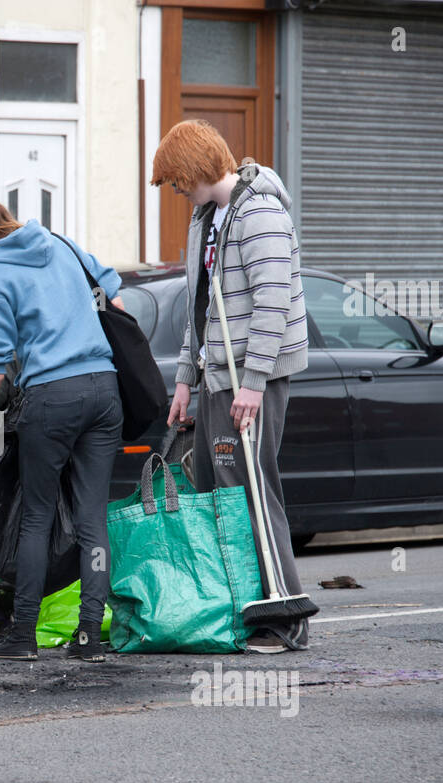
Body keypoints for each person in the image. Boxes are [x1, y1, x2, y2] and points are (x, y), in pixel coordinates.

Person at [0, 194, 125, 663]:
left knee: (36, 517)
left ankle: (22, 637)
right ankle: (90, 638)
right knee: (93, 519)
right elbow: (114, 294)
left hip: (52, 399)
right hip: (104, 388)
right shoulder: (61, 245)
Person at [151, 119, 310, 653]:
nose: (176, 191)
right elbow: (198, 310)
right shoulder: (206, 218)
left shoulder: (260, 210)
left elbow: (274, 300)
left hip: (249, 381)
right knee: (223, 493)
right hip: (220, 378)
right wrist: (183, 381)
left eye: (177, 179)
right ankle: (244, 608)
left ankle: (284, 617)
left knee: (253, 492)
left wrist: (256, 381)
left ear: (196, 167)